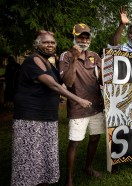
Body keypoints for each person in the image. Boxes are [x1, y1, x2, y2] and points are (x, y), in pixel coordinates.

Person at [11, 30, 92, 186]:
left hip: (47, 117)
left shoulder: (49, 62)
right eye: (45, 42)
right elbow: (54, 85)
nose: (50, 45)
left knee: (44, 157)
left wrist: (74, 58)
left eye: (52, 42)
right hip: (30, 118)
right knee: (30, 158)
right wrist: (78, 99)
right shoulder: (32, 60)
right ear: (37, 44)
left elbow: (65, 81)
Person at [59, 23, 105, 186]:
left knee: (95, 138)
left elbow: (102, 79)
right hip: (78, 107)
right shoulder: (66, 55)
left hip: (96, 106)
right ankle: (69, 179)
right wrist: (74, 59)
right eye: (80, 37)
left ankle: (88, 167)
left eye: (86, 37)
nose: (84, 40)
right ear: (74, 37)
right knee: (75, 142)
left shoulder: (94, 56)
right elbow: (68, 82)